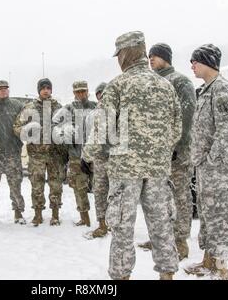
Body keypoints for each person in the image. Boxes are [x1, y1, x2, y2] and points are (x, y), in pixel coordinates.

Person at [88, 31, 182, 280]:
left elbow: (102, 130)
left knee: (122, 228)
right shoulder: (165, 86)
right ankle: (167, 275)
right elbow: (176, 129)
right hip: (158, 170)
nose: (118, 59)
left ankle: (121, 276)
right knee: (161, 225)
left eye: (119, 54)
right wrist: (156, 152)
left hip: (125, 171)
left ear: (127, 53)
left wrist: (91, 154)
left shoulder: (118, 85)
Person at [185, 44, 228, 280]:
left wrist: (211, 160)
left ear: (207, 62)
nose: (192, 65)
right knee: (207, 215)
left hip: (216, 168)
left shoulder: (222, 90)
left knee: (218, 217)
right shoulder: (206, 90)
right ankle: (208, 262)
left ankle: (221, 267)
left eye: (195, 61)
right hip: (206, 167)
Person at [139, 43, 196, 260]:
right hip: (155, 155)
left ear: (166, 58)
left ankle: (180, 242)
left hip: (176, 153)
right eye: (149, 56)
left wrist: (175, 145)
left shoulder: (180, 81)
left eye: (155, 56)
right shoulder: (151, 82)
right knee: (158, 198)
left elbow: (187, 116)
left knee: (180, 196)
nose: (151, 59)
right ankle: (160, 238)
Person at [13, 78, 65, 226]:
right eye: (43, 88)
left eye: (48, 87)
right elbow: (17, 126)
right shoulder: (29, 107)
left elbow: (67, 126)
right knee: (37, 184)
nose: (46, 90)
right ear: (39, 90)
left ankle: (55, 214)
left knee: (56, 185)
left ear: (51, 90)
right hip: (36, 154)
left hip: (55, 154)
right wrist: (25, 132)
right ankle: (38, 214)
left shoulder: (58, 107)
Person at [53, 81, 96, 226]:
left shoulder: (96, 107)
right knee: (79, 187)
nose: (81, 94)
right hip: (76, 155)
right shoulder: (68, 109)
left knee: (102, 189)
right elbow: (54, 124)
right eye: (77, 92)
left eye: (83, 91)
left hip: (96, 156)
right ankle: (85, 218)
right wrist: (63, 131)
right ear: (74, 93)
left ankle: (104, 221)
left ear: (87, 91)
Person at [0, 80, 26, 225]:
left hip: (12, 151)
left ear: (9, 90)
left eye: (5, 89)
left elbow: (25, 123)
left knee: (15, 183)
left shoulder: (17, 105)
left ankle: (18, 212)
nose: (3, 91)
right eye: (0, 89)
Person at [81, 82, 109, 238]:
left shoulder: (112, 110)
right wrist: (87, 157)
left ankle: (110, 224)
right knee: (100, 192)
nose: (101, 96)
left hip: (113, 159)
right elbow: (88, 136)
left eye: (103, 93)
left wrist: (85, 157)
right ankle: (102, 224)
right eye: (99, 93)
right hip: (98, 159)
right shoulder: (93, 114)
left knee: (112, 193)